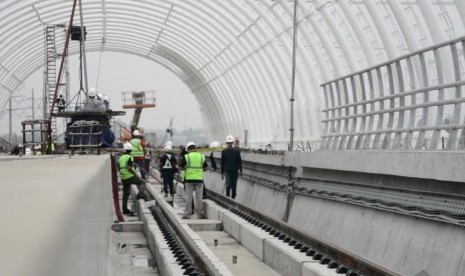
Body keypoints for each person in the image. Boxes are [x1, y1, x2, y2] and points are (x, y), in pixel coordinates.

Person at [179, 141, 208, 219]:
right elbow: (206, 168)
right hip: (199, 179)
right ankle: (199, 214)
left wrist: (186, 168)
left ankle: (187, 214)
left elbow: (181, 167)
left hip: (189, 179)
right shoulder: (201, 156)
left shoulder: (187, 156)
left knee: (189, 196)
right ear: (195, 148)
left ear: (188, 149)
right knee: (199, 197)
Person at [118, 142, 147, 215]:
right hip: (129, 176)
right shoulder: (130, 157)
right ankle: (140, 194)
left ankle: (124, 209)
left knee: (126, 193)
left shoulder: (121, 157)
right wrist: (135, 174)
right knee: (143, 182)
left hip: (123, 177)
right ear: (130, 150)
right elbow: (129, 167)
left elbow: (118, 167)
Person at [221, 135, 243, 199]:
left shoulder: (236, 151)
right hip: (227, 171)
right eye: (228, 143)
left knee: (234, 185)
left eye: (231, 143)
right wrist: (222, 173)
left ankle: (233, 197)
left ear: (232, 143)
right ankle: (227, 197)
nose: (230, 144)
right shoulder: (224, 152)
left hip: (235, 171)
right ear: (227, 143)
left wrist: (240, 170)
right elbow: (222, 162)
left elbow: (239, 161)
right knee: (228, 184)